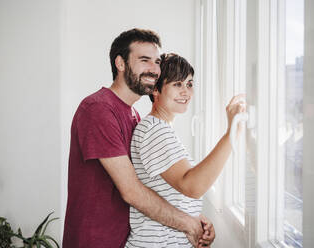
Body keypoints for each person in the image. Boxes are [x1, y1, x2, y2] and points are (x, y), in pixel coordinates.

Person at [63, 29, 215, 248]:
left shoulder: (134, 116)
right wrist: (188, 224)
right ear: (120, 63)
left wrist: (195, 218)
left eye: (156, 62)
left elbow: (152, 185)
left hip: (124, 239)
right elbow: (132, 191)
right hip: (95, 240)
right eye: (144, 60)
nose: (154, 69)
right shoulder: (97, 109)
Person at [126, 53, 245, 247]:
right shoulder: (154, 131)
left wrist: (195, 219)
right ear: (156, 89)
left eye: (189, 84)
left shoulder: (161, 129)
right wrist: (232, 132)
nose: (186, 92)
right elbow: (192, 186)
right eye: (177, 84)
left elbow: (169, 193)